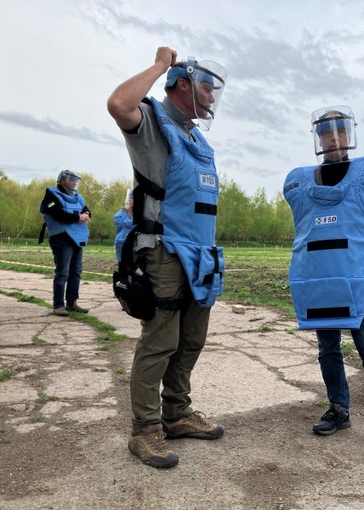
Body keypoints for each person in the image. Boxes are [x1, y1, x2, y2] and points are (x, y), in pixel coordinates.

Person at [107, 46, 228, 468]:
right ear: (182, 85)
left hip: (201, 258)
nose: (212, 97)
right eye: (207, 88)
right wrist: (160, 64)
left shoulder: (197, 139)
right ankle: (145, 431)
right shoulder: (154, 126)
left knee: (191, 340)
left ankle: (177, 415)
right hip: (163, 253)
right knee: (160, 343)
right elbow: (118, 104)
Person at [283, 106, 364, 449]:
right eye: (326, 133)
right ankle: (339, 409)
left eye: (340, 132)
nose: (334, 138)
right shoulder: (303, 183)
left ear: (349, 135)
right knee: (327, 348)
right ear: (319, 138)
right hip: (320, 281)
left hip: (356, 281)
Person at [39, 169, 91, 316]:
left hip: (77, 239)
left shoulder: (78, 197)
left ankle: (72, 302)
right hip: (61, 239)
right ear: (62, 180)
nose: (74, 183)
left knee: (76, 272)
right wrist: (78, 217)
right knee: (63, 273)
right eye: (71, 180)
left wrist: (86, 214)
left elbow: (87, 211)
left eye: (76, 181)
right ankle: (58, 305)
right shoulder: (51, 195)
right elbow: (58, 214)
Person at [113, 189, 134, 262]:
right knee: (123, 268)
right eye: (131, 198)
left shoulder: (143, 213)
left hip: (136, 246)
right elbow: (125, 225)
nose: (132, 200)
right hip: (122, 245)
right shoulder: (120, 214)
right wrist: (132, 219)